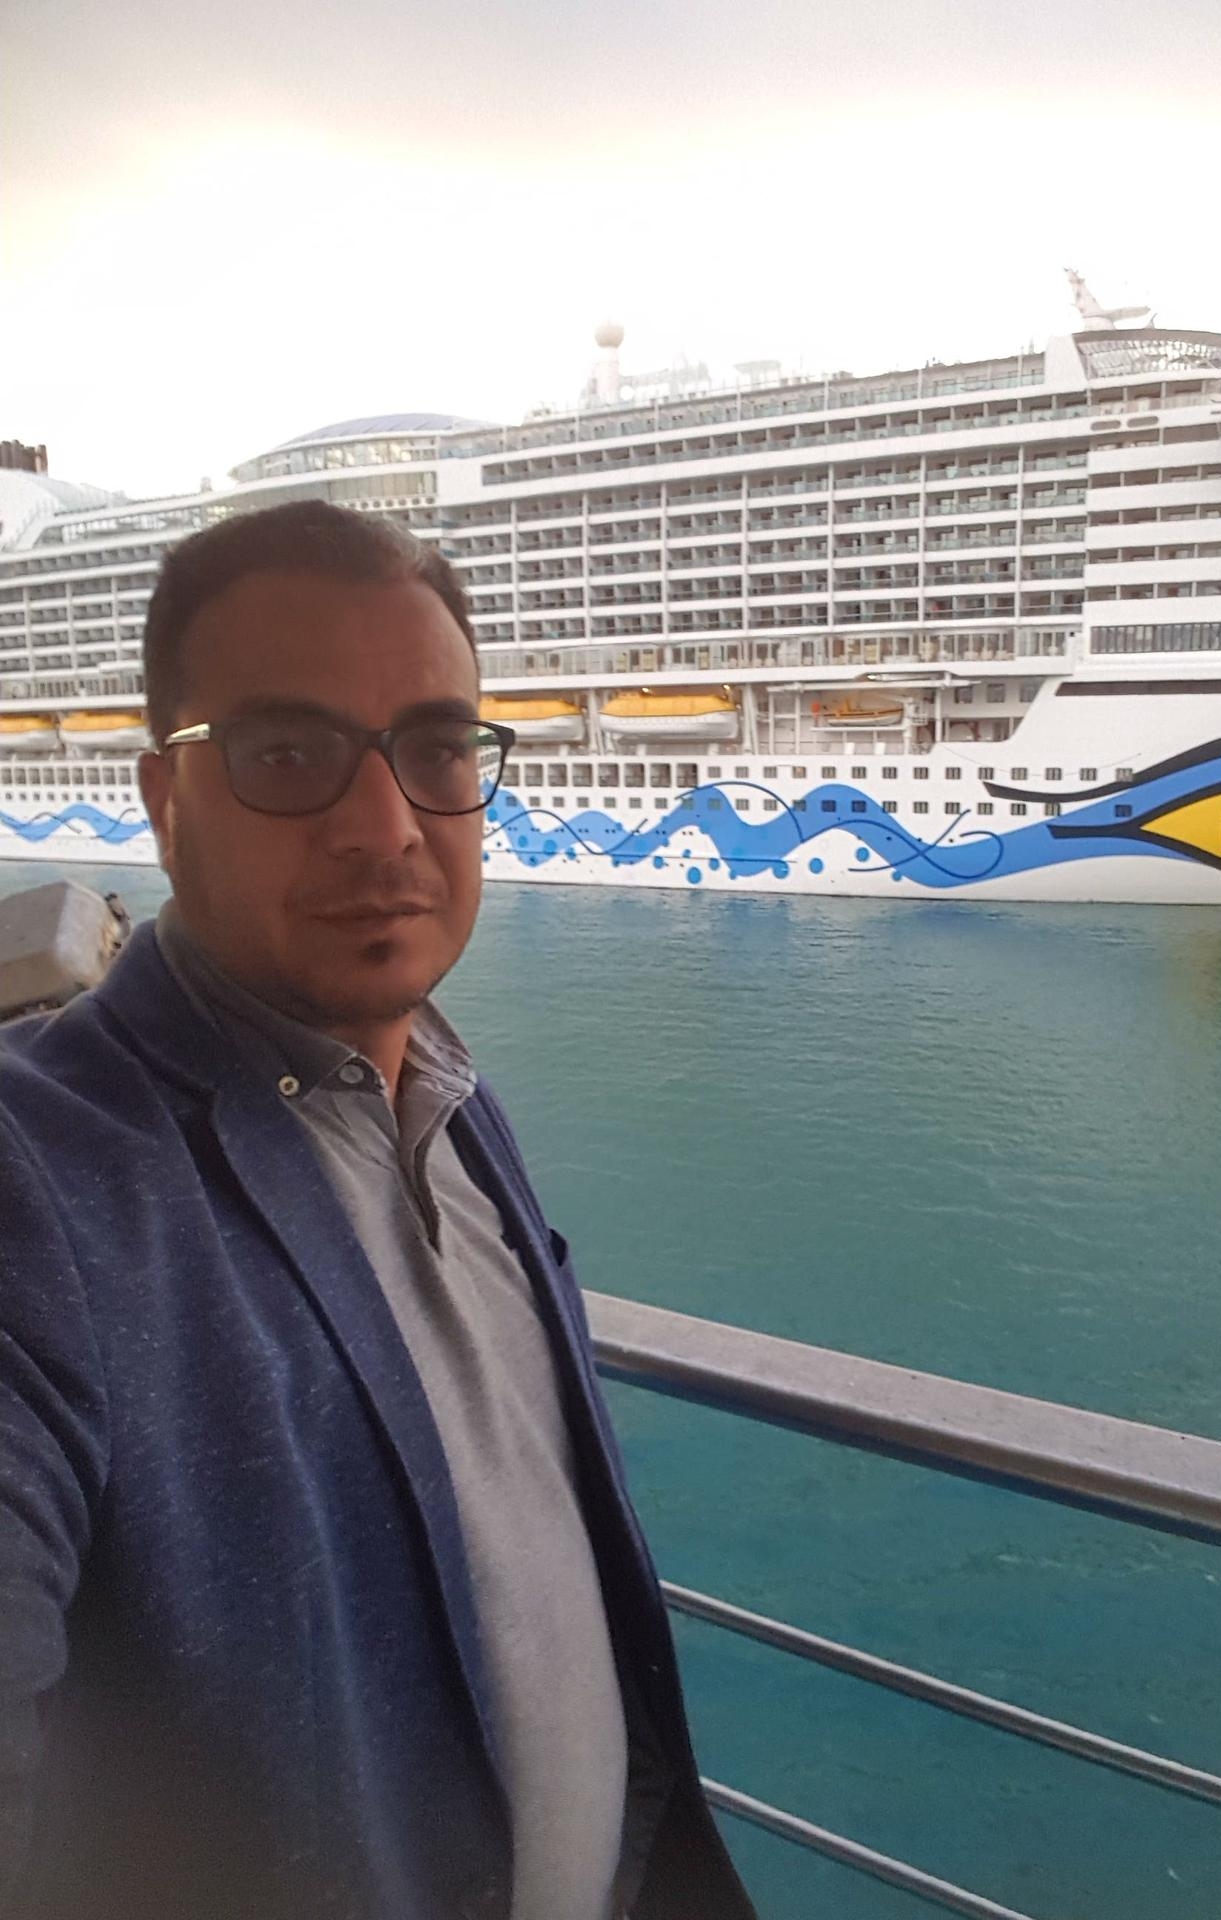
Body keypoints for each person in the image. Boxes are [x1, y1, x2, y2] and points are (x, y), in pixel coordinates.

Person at [0, 501, 755, 1920]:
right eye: (289, 756)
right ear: (165, 799)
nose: (386, 826)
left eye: (438, 749)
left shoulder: (451, 1100)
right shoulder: (38, 1180)